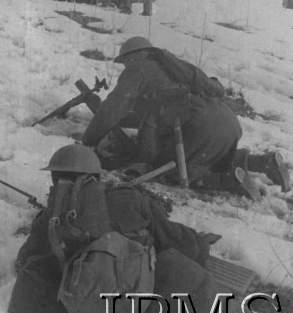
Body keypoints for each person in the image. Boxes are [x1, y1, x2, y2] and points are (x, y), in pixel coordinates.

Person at [8, 144, 293, 313]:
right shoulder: (127, 199)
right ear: (96, 176)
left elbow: (24, 264)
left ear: (54, 179)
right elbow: (179, 242)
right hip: (165, 286)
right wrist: (198, 242)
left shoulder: (49, 221)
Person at [82, 37, 290, 198]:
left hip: (197, 125)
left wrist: (89, 140)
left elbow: (112, 108)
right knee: (208, 156)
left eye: (125, 61)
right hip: (225, 120)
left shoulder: (138, 69)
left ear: (133, 56)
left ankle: (225, 182)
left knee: (165, 167)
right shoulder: (173, 67)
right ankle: (264, 162)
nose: (125, 66)